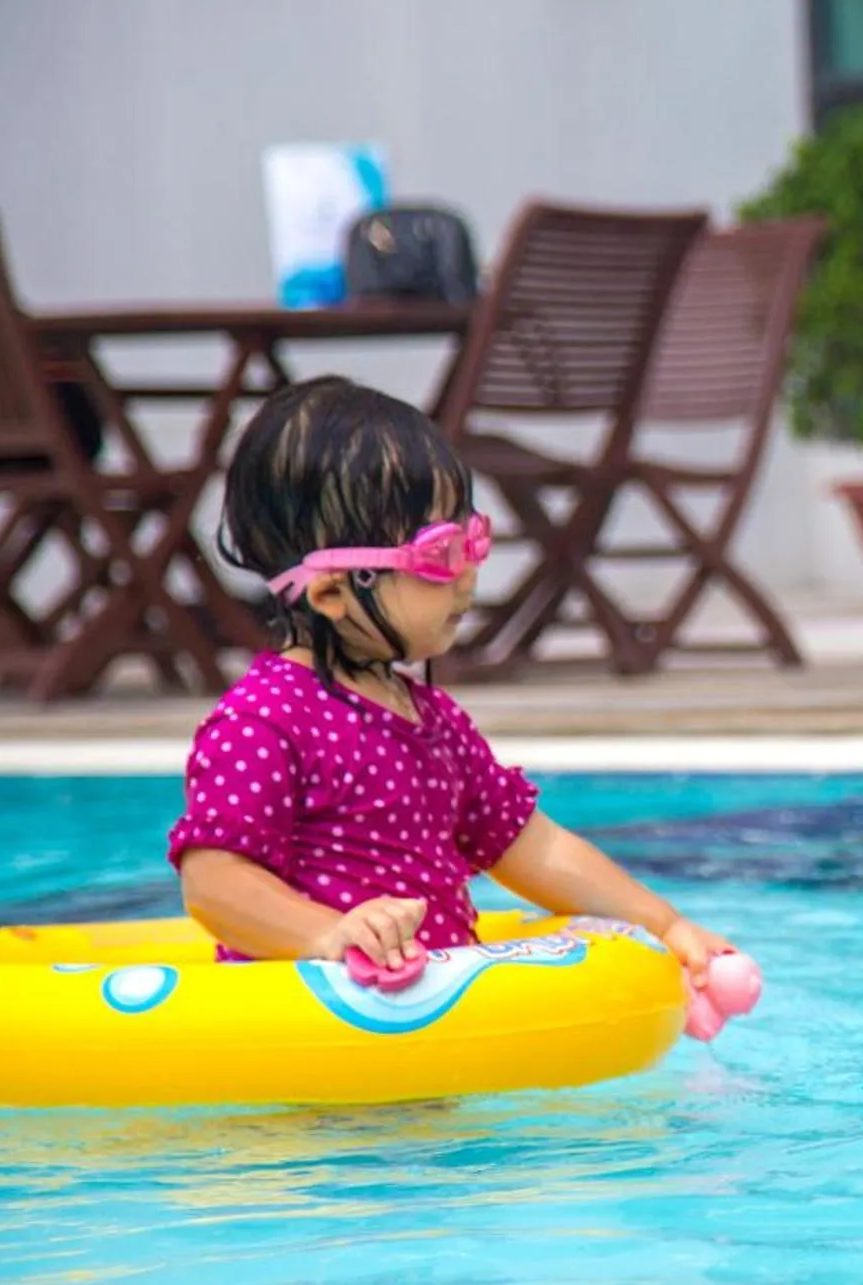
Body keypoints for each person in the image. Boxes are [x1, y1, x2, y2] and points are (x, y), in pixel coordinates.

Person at [166, 376, 731, 977]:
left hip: (429, 1019)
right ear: (331, 590)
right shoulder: (263, 721)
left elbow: (533, 848)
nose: (467, 573)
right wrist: (329, 934)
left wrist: (665, 925)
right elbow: (215, 880)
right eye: (439, 554)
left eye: (473, 540)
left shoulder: (433, 720)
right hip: (313, 1022)